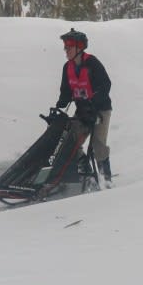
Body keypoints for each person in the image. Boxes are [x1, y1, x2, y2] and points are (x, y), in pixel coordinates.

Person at [55, 28, 113, 183]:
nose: (65, 50)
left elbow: (105, 85)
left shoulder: (92, 63)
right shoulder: (67, 68)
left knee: (98, 144)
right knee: (70, 141)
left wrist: (94, 101)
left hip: (100, 110)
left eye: (68, 47)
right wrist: (60, 105)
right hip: (82, 110)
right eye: (65, 47)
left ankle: (105, 178)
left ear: (79, 48)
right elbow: (66, 92)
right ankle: (84, 168)